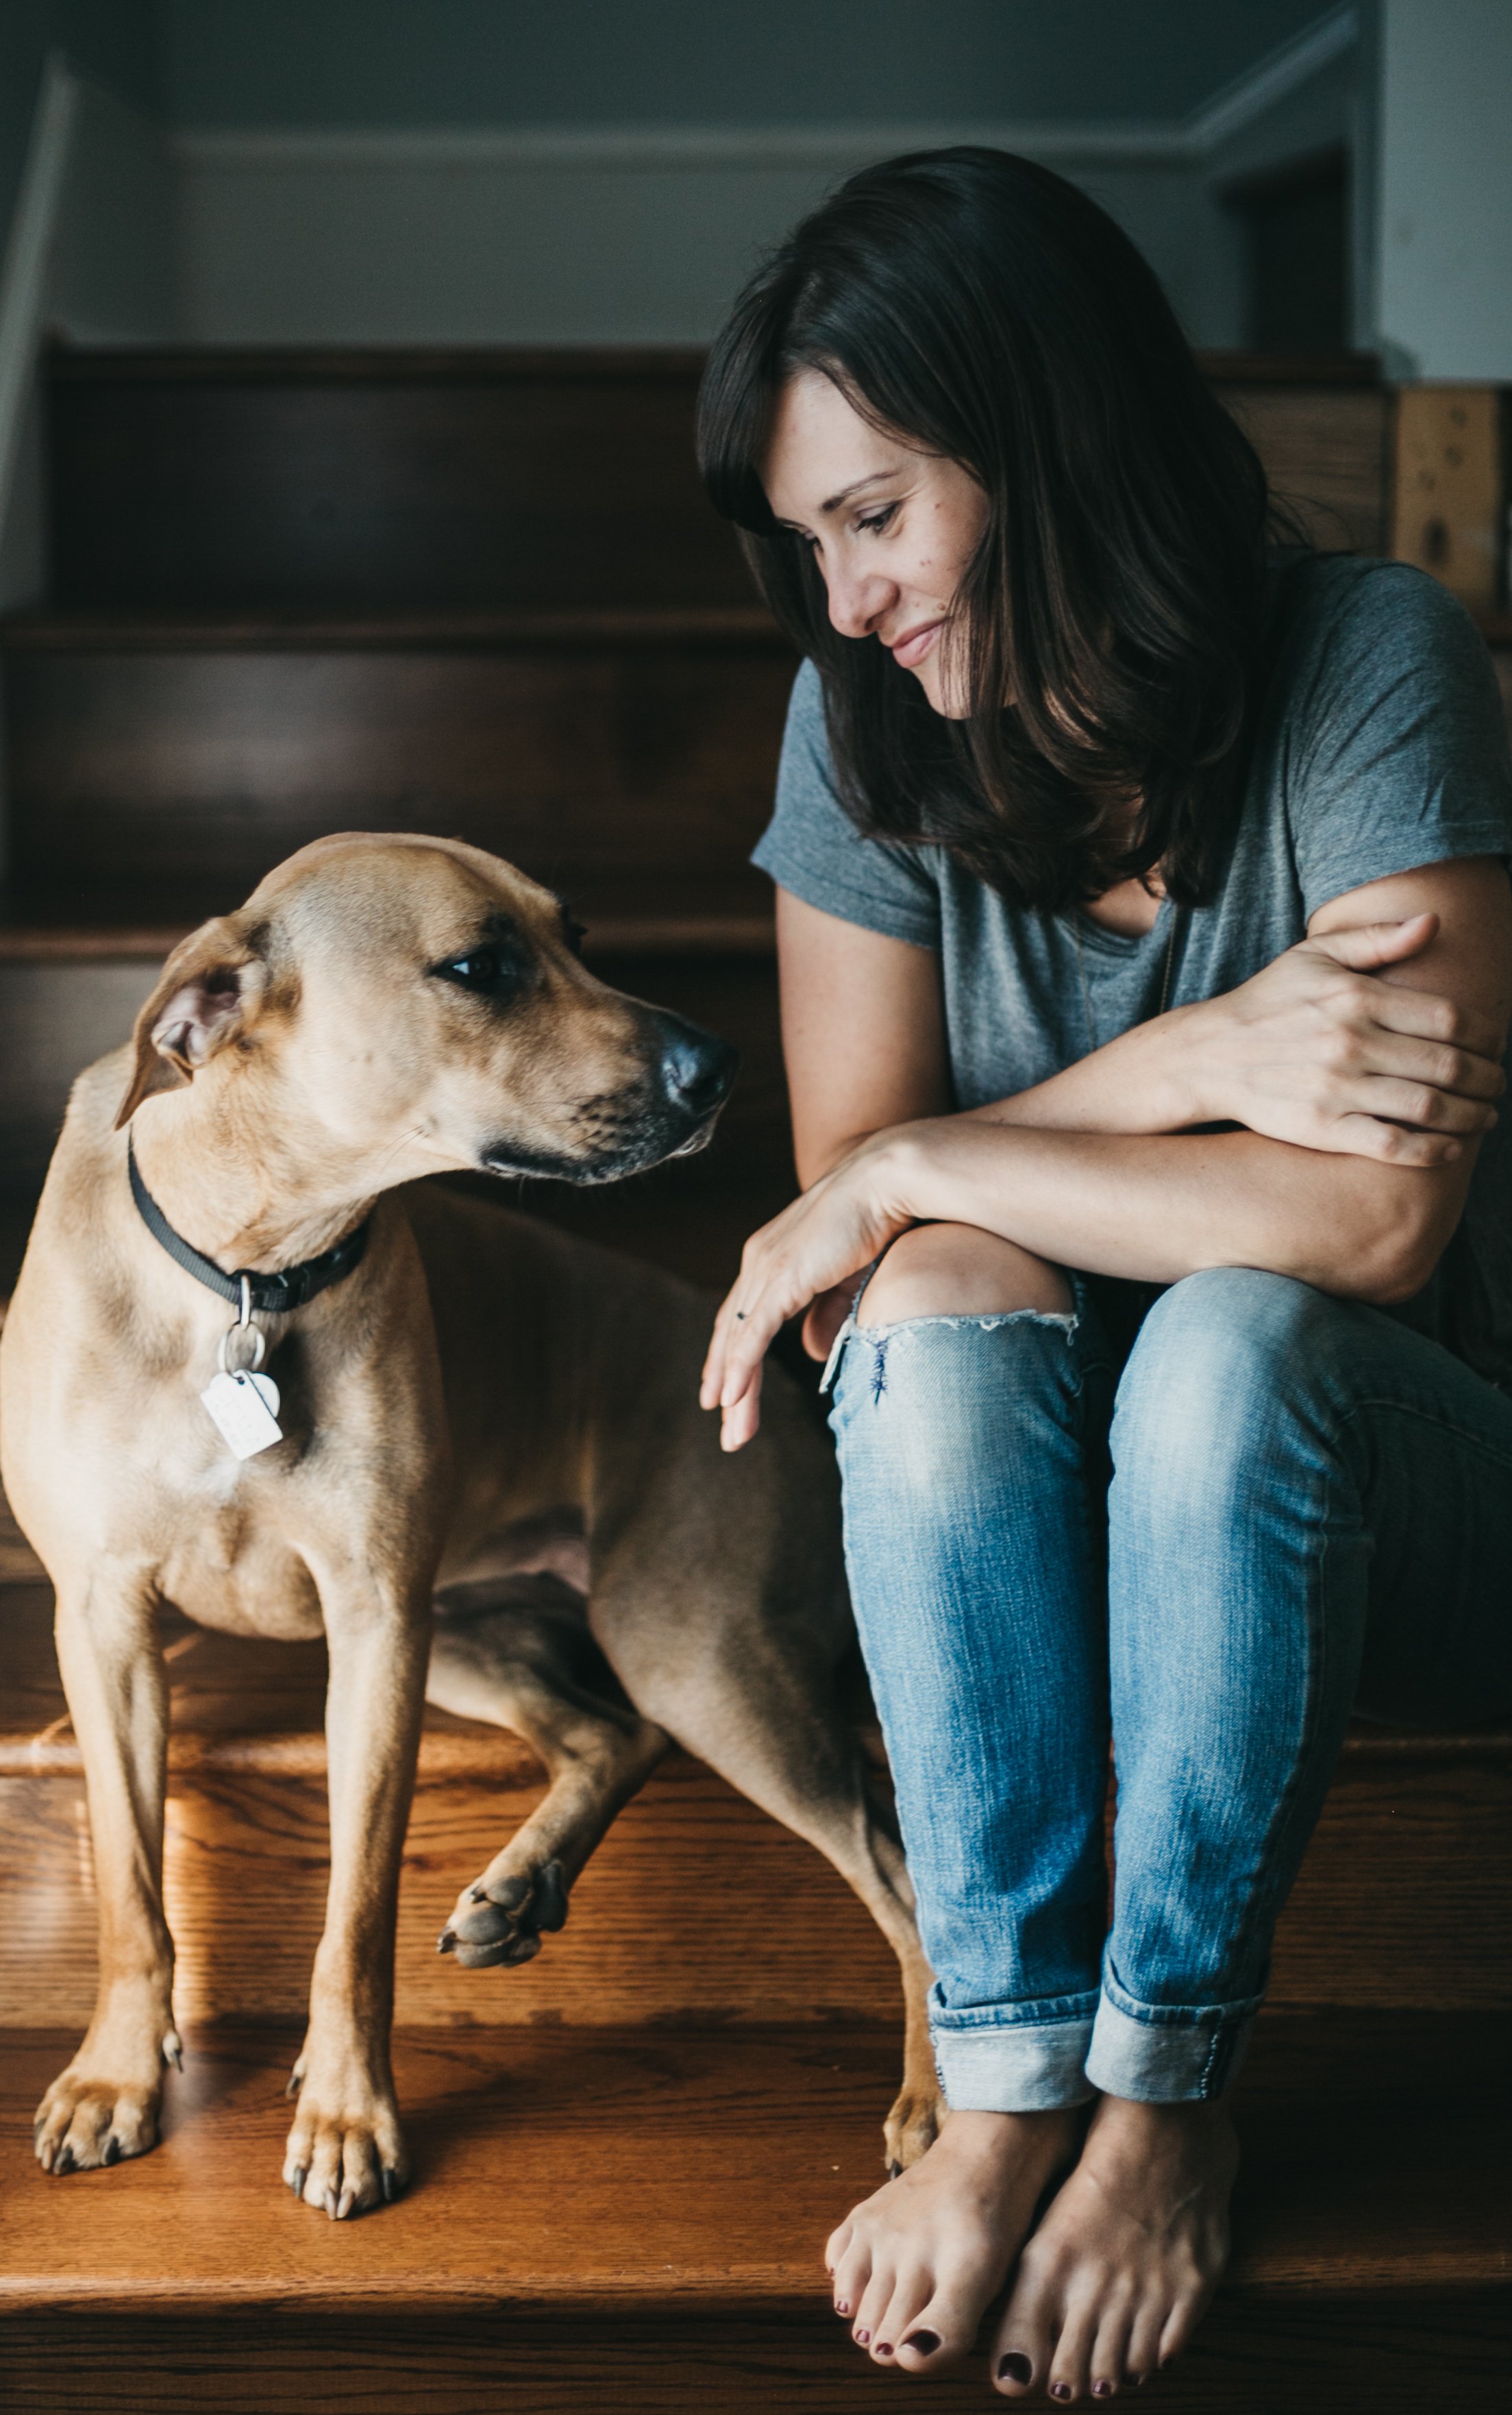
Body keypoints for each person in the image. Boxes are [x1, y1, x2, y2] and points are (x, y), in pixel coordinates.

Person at [695, 147, 1512, 2401]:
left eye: (872, 516)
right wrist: (1203, 1068)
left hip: (1392, 1486)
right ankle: (1007, 2089)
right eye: (809, 545)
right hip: (1037, 1498)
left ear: (1041, 438)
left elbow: (1376, 1225)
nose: (846, 601)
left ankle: (1164, 2101)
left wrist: (947, 1156)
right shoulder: (857, 729)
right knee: (948, 1316)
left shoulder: (1370, 660)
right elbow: (884, 1243)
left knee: (1235, 1350)